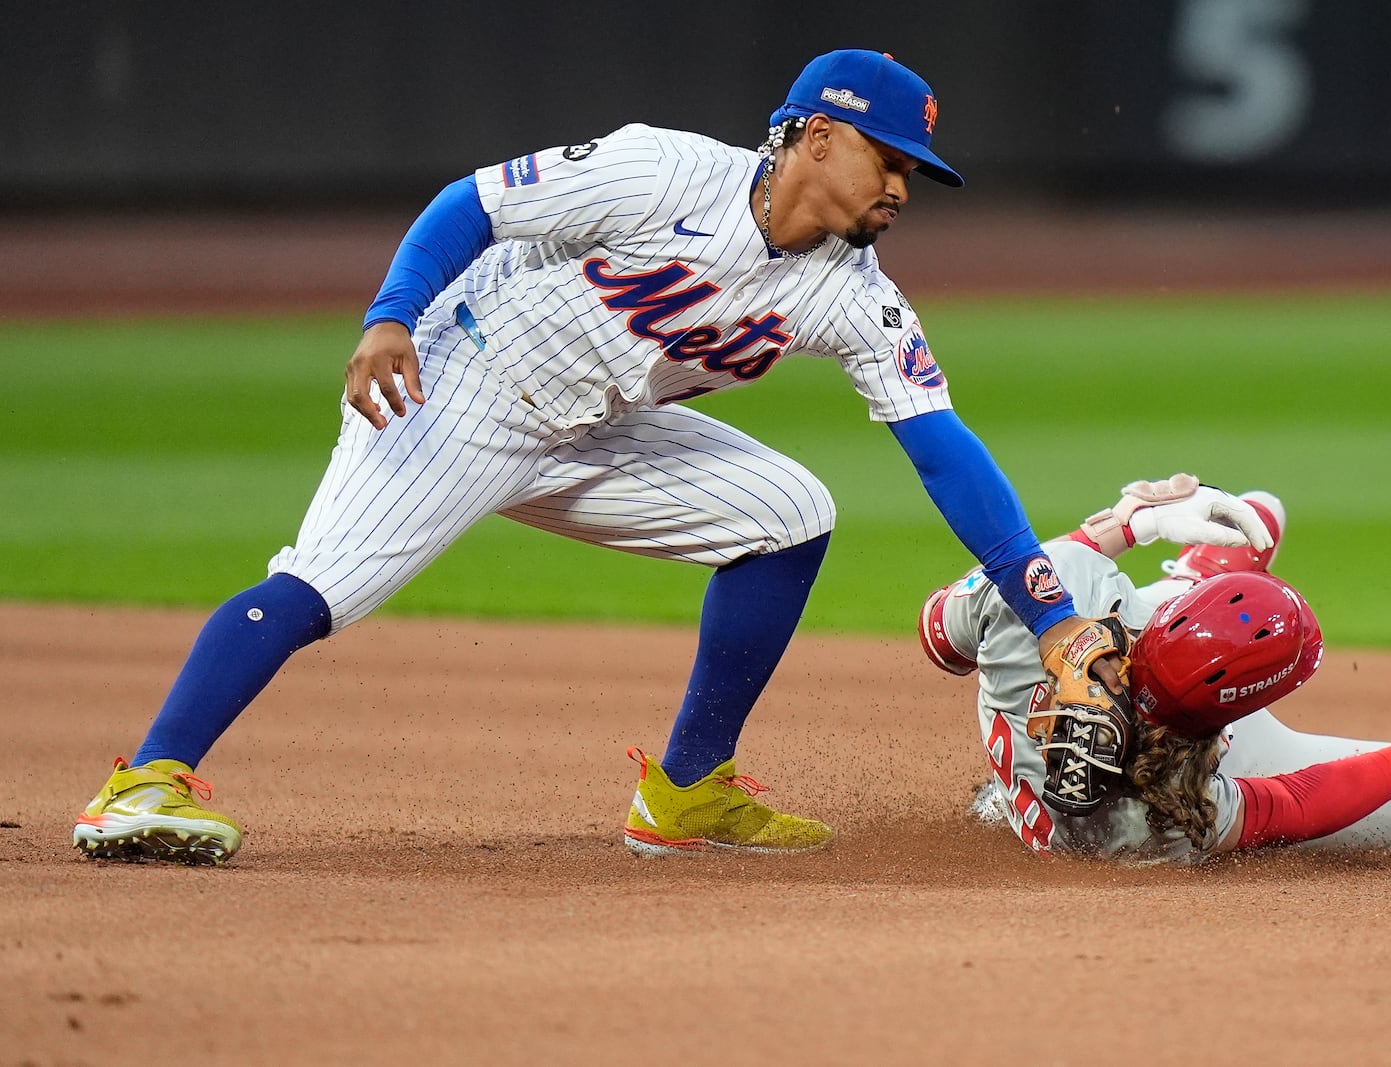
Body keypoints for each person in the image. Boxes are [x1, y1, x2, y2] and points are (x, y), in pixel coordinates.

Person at [68, 51, 1275, 866]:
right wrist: (391, 313)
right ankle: (145, 780)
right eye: (890, 162)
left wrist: (1048, 606)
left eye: (916, 174)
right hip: (460, 385)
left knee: (786, 509)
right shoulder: (663, 169)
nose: (904, 188)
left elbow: (942, 449)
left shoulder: (857, 296)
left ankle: (686, 789)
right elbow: (471, 205)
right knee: (322, 586)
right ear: (812, 137)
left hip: (598, 427)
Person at [918, 480, 1391, 863]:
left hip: (1076, 664)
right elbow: (1292, 805)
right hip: (1175, 716)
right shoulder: (1169, 821)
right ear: (1229, 721)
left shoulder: (1045, 591)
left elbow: (940, 637)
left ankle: (1198, 577)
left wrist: (1122, 526)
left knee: (1237, 521)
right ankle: (1203, 574)